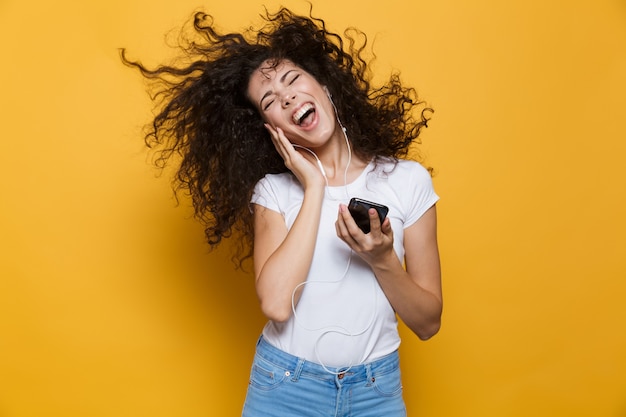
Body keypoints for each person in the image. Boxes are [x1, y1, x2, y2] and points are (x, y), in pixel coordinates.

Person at [121, 6, 442, 416]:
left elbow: (428, 323)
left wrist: (381, 260)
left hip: (374, 392)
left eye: (293, 80)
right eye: (270, 100)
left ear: (325, 86)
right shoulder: (273, 192)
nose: (287, 96)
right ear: (269, 127)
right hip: (286, 389)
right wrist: (314, 188)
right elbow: (275, 305)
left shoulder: (407, 181)